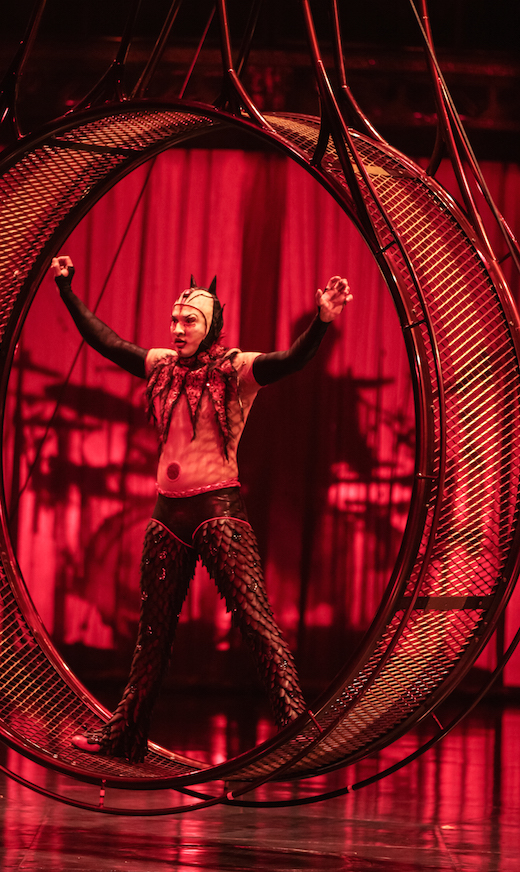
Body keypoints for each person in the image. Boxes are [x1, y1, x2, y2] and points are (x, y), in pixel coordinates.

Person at [51, 255, 352, 762]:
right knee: (152, 635)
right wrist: (66, 289)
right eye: (174, 319)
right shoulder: (161, 367)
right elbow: (105, 340)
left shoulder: (236, 368)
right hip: (167, 517)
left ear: (210, 325)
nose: (177, 327)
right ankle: (126, 738)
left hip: (219, 512)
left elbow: (291, 361)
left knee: (255, 620)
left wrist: (321, 319)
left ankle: (298, 728)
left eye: (188, 320)